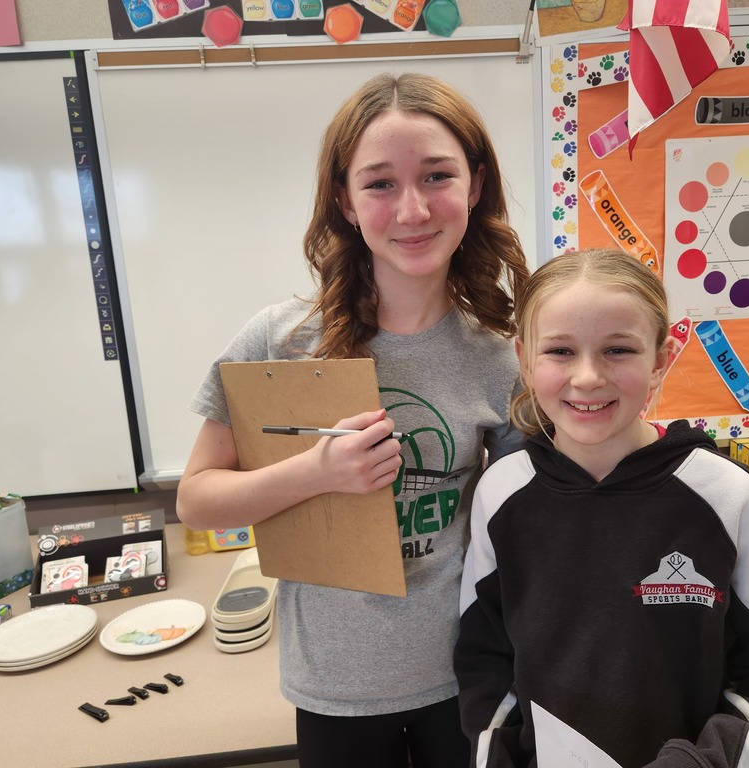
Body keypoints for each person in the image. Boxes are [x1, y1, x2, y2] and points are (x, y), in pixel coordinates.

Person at [175, 72, 529, 768]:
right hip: (334, 684)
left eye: (436, 176)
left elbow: (520, 522)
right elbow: (195, 499)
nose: (412, 209)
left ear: (476, 184)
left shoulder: (498, 356)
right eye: (379, 184)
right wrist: (317, 472)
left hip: (464, 673)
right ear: (343, 198)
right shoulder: (281, 342)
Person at [454, 248, 749, 768]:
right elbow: (485, 661)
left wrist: (701, 762)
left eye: (618, 350)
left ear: (660, 359)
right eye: (560, 351)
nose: (588, 377)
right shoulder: (501, 493)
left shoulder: (725, 495)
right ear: (525, 360)